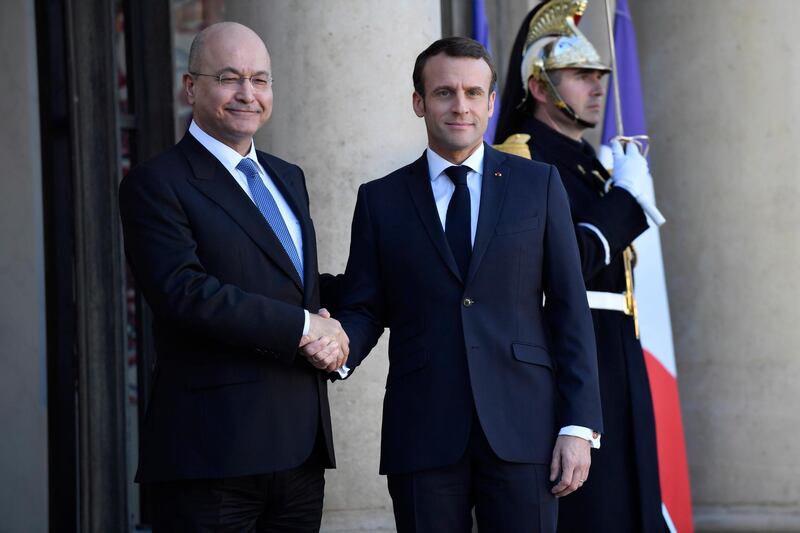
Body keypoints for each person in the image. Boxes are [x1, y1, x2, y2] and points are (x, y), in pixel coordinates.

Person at [330, 36, 602, 532]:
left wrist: (579, 425)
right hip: (423, 430)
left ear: (492, 102)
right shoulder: (380, 200)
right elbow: (367, 306)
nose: (461, 106)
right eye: (444, 92)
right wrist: (337, 347)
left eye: (474, 93)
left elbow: (569, 308)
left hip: (525, 429)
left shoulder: (538, 185)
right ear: (419, 102)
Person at [119, 21, 348, 532]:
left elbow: (297, 288)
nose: (248, 94)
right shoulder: (156, 184)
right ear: (191, 86)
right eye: (229, 78)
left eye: (260, 79)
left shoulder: (288, 176)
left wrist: (357, 308)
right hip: (211, 457)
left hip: (299, 453)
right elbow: (185, 293)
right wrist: (308, 328)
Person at [494, 1, 666, 531]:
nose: (597, 86)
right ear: (541, 88)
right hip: (572, 352)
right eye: (580, 75)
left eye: (599, 75)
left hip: (617, 352)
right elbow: (564, 262)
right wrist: (625, 207)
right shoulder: (521, 158)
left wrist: (617, 191)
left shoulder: (592, 163)